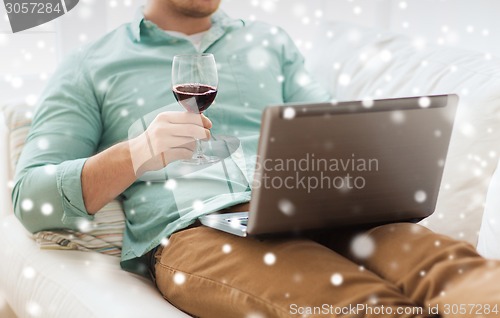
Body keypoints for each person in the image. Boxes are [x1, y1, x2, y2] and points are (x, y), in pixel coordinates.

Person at [13, 0, 500, 317]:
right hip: (201, 229)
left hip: (323, 210)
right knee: (358, 306)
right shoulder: (90, 64)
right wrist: (137, 153)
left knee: (458, 273)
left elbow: (333, 130)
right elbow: (32, 199)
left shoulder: (271, 43)